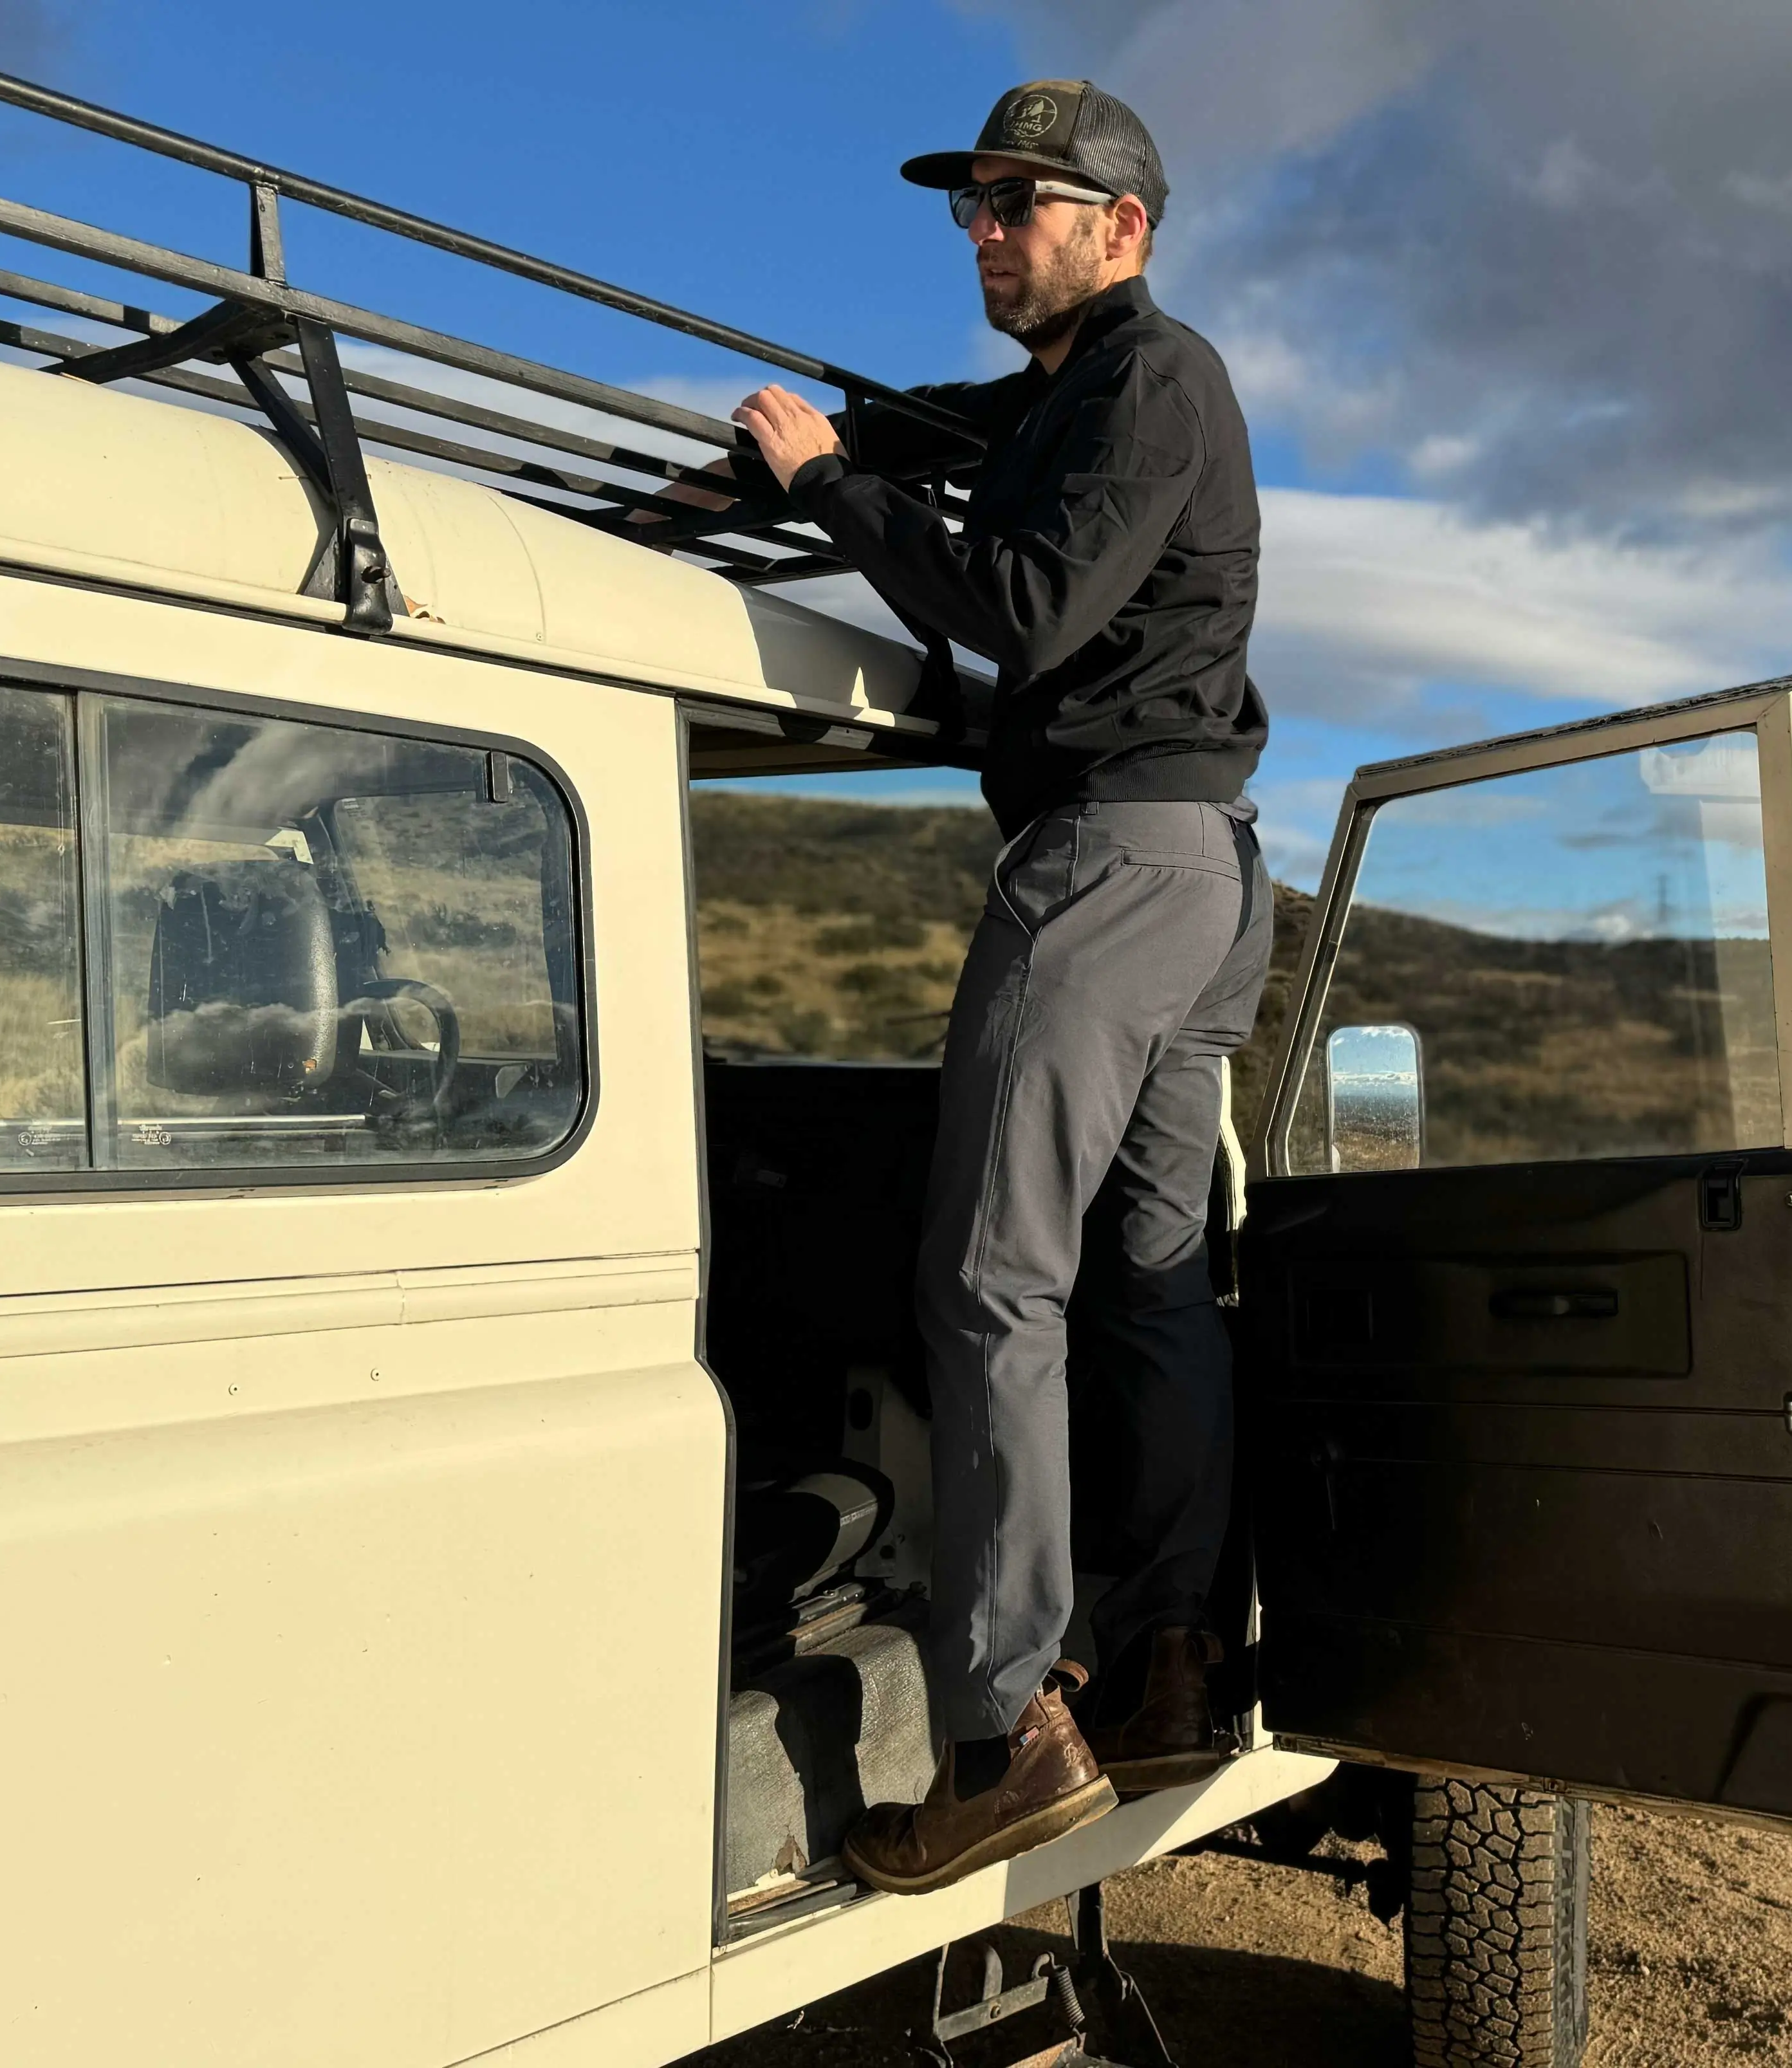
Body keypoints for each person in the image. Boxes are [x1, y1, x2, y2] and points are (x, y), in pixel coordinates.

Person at [699, 80, 1273, 1896]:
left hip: (1112, 862)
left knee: (988, 1283)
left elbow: (1026, 599)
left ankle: (1001, 1731)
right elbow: (939, 442)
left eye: (1019, 202)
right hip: (1196, 868)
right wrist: (809, 458)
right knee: (1149, 1276)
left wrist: (823, 486)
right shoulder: (1057, 401)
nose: (983, 231)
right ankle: (1171, 1663)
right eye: (971, 206)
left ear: (1126, 225)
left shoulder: (1147, 381)